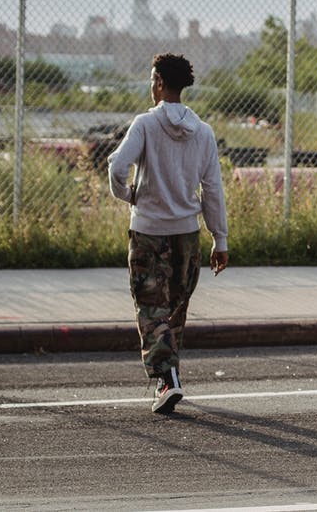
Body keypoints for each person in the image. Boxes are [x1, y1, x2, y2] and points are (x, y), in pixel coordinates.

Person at [109, 53, 230, 414]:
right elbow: (212, 190)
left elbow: (117, 166)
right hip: (187, 236)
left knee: (151, 308)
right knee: (174, 309)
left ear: (159, 82)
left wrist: (129, 195)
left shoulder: (145, 124)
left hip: (148, 232)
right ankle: (169, 379)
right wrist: (219, 240)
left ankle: (168, 379)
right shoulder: (204, 132)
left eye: (151, 79)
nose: (151, 85)